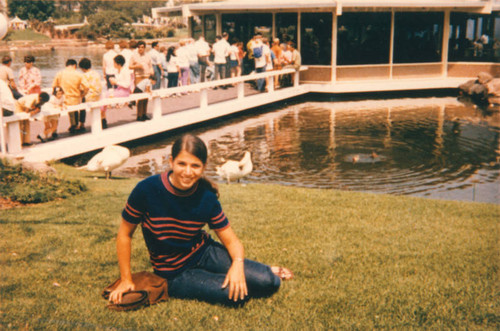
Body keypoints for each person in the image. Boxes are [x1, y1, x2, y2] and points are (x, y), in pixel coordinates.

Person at [108, 134, 293, 307]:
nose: (188, 172)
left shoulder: (206, 197)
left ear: (203, 167)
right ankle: (243, 273)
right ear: (171, 162)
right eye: (182, 164)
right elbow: (125, 234)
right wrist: (126, 279)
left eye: (195, 166)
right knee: (235, 294)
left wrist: (237, 265)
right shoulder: (146, 190)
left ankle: (262, 271)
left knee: (267, 281)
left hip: (204, 252)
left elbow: (232, 241)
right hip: (174, 273)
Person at [52, 59, 87, 133]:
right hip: (75, 98)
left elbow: (54, 86)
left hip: (63, 98)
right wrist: (83, 94)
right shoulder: (78, 74)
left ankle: (54, 130)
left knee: (57, 114)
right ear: (74, 66)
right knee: (77, 107)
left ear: (67, 65)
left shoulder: (60, 73)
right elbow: (86, 86)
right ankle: (76, 125)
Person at [79, 58, 103, 127]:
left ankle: (81, 123)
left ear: (83, 68)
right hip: (98, 95)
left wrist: (82, 95)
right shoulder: (96, 73)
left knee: (81, 102)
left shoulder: (85, 75)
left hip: (91, 97)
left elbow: (85, 88)